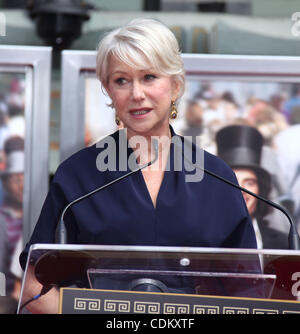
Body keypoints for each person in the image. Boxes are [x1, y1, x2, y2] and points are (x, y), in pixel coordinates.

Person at [19, 18, 258, 314]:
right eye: (121, 80)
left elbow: (250, 291)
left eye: (149, 77)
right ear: (108, 90)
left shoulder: (216, 176)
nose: (136, 94)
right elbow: (35, 289)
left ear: (175, 85)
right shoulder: (77, 175)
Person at [216, 124, 288, 250]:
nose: (241, 189)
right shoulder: (201, 240)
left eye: (249, 183)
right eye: (233, 182)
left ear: (260, 190)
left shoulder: (284, 244)